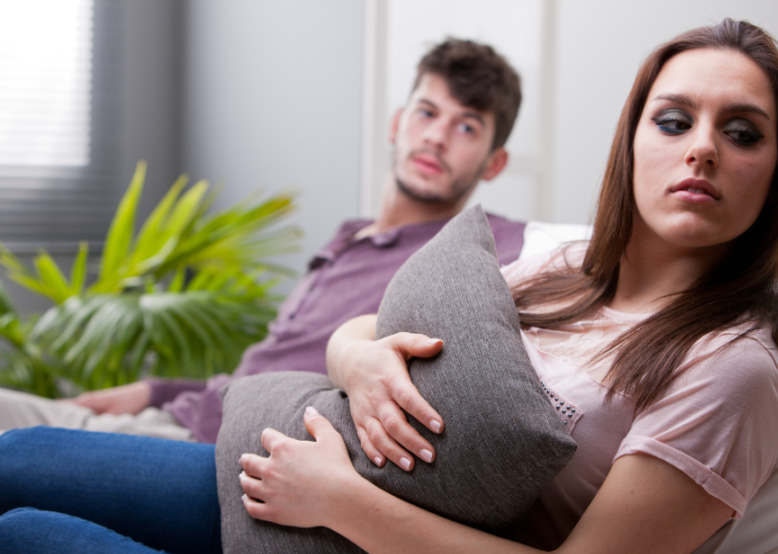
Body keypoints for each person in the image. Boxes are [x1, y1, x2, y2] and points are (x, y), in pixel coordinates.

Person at [0, 19, 778, 554]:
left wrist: (339, 500)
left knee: (26, 545)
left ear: (775, 171)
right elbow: (361, 326)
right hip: (292, 467)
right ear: (630, 145)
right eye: (673, 121)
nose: (702, 150)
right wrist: (360, 363)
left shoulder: (730, 367)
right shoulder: (561, 273)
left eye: (741, 132)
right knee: (25, 458)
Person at [0, 38, 525, 446]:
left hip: (208, 445)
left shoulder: (470, 250)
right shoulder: (346, 240)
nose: (436, 136)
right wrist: (154, 391)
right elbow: (265, 367)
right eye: (428, 113)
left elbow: (565, 256)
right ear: (397, 123)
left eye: (467, 127)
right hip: (173, 416)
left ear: (494, 163)